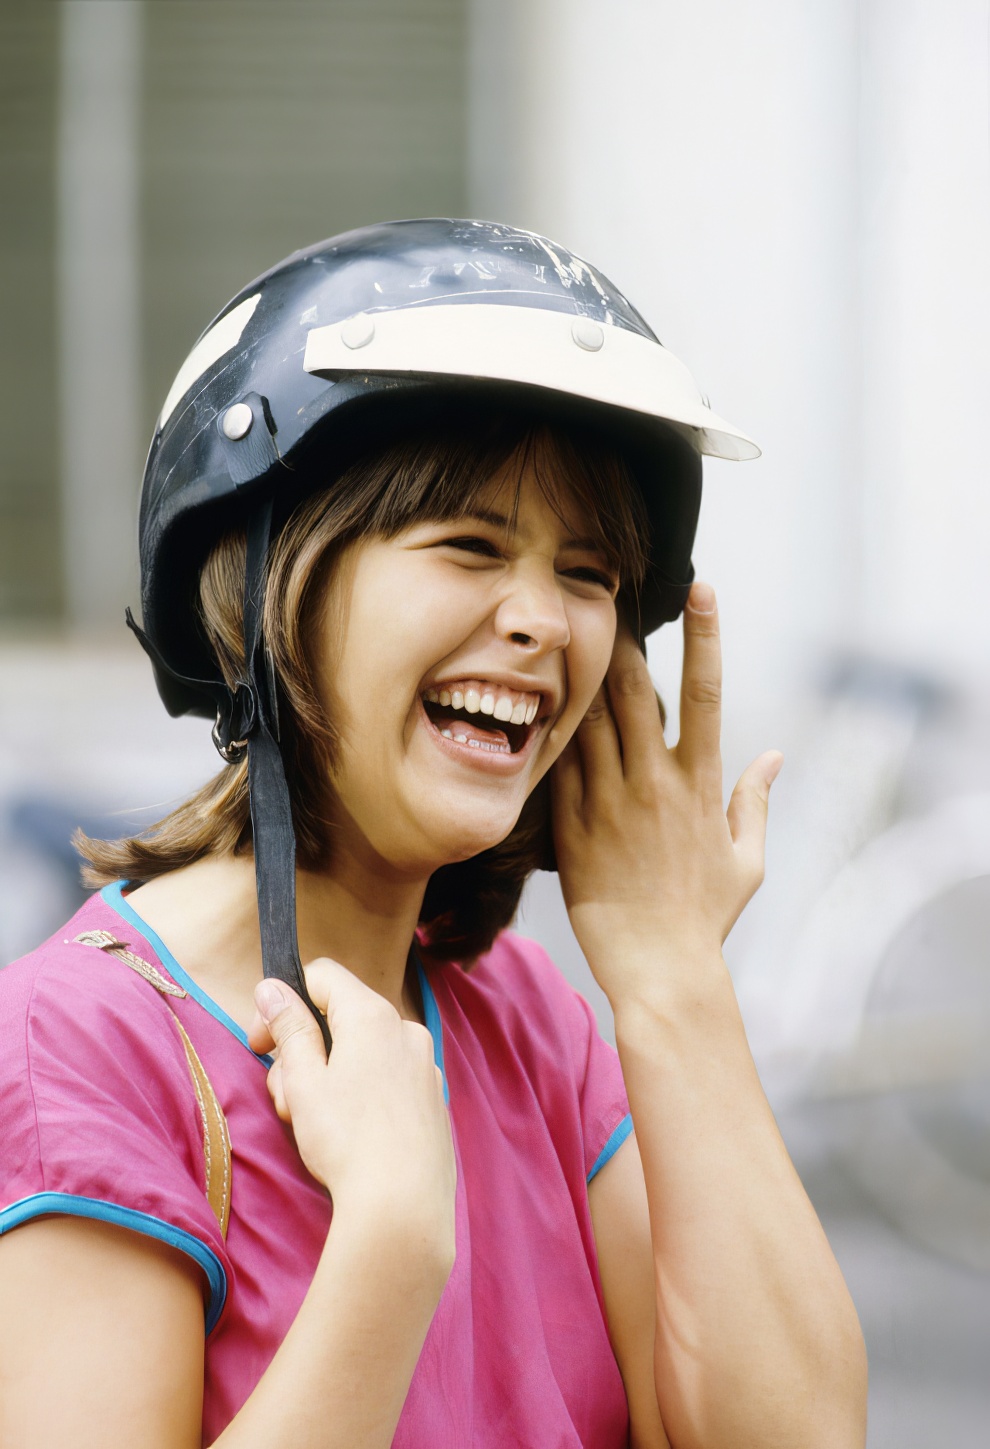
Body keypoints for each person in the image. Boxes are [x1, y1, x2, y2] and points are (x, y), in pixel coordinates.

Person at [0, 220, 867, 1448]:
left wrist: (674, 980)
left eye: (586, 572)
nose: (541, 623)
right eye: (469, 546)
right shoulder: (81, 1051)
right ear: (260, 598)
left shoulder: (525, 1018)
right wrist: (393, 1243)